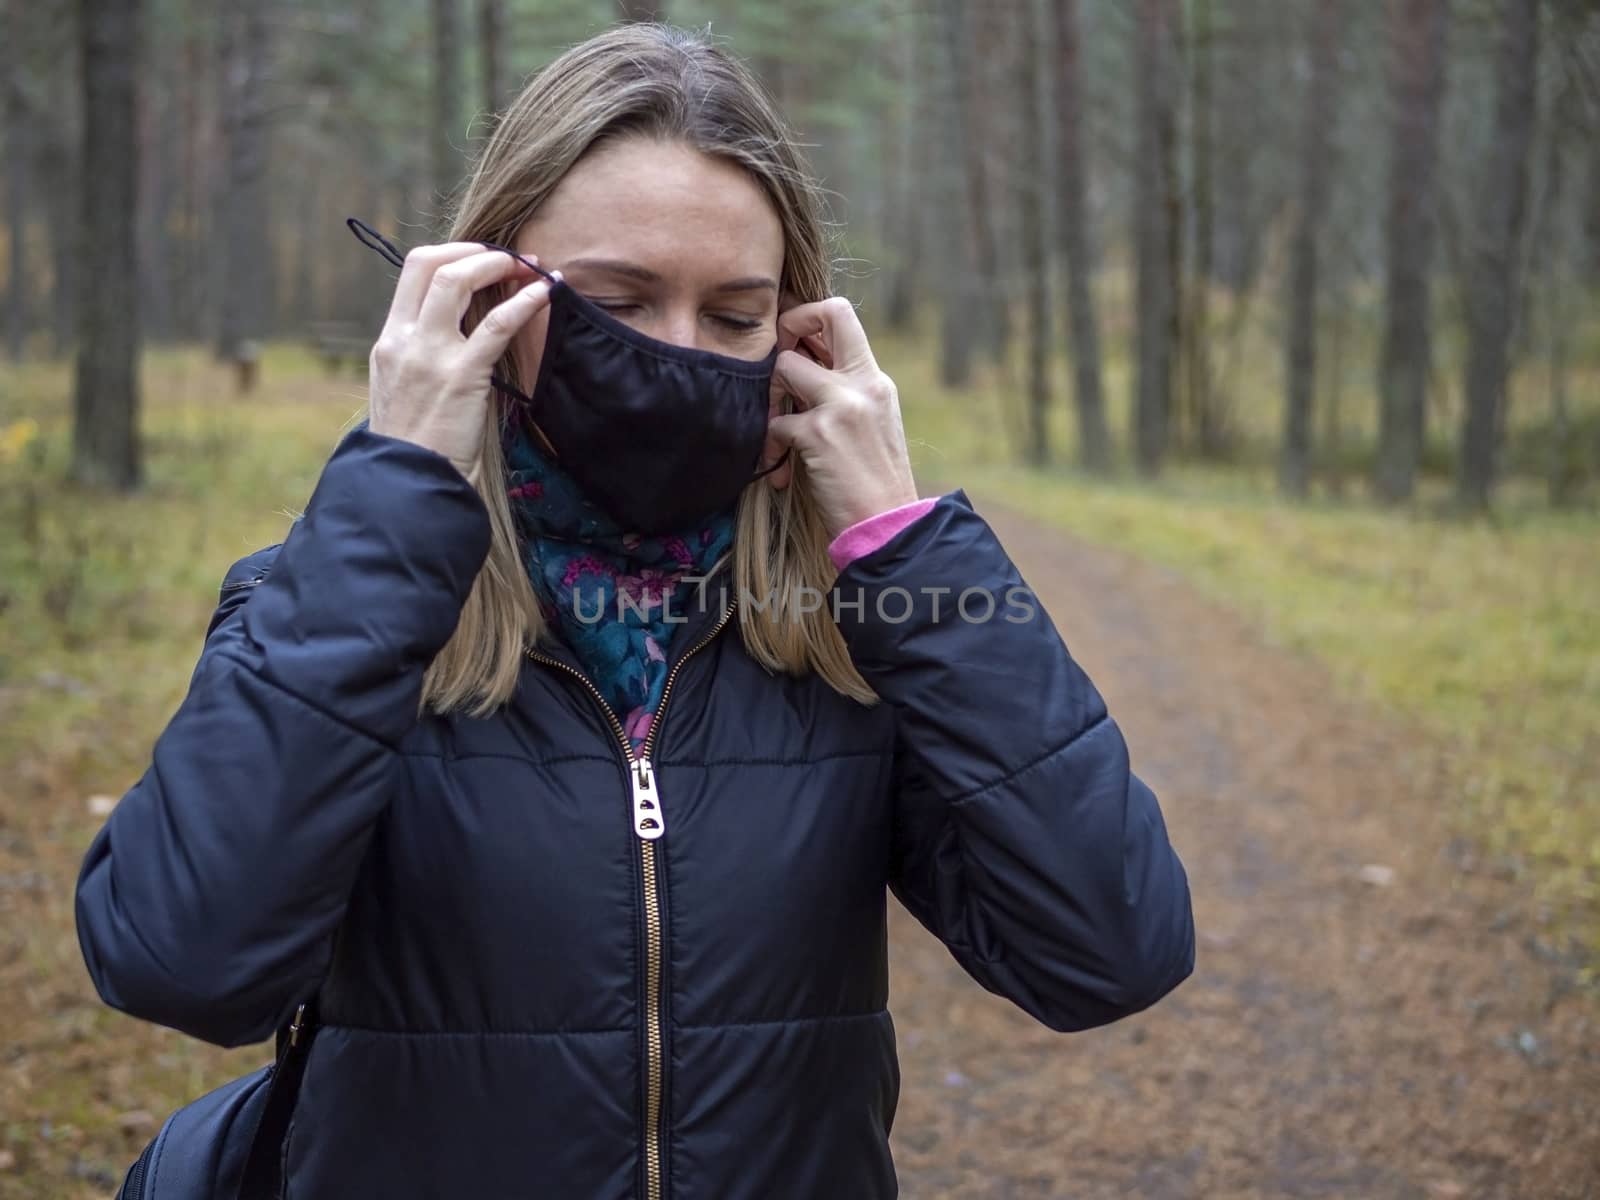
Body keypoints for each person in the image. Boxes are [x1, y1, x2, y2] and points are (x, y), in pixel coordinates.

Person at [74, 22, 1194, 1200]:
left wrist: (900, 549)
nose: (675, 354)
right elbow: (181, 962)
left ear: (799, 331)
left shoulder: (840, 628)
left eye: (732, 317)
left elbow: (1109, 951)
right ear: (485, 292)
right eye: (615, 297)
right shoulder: (346, 602)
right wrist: (390, 508)